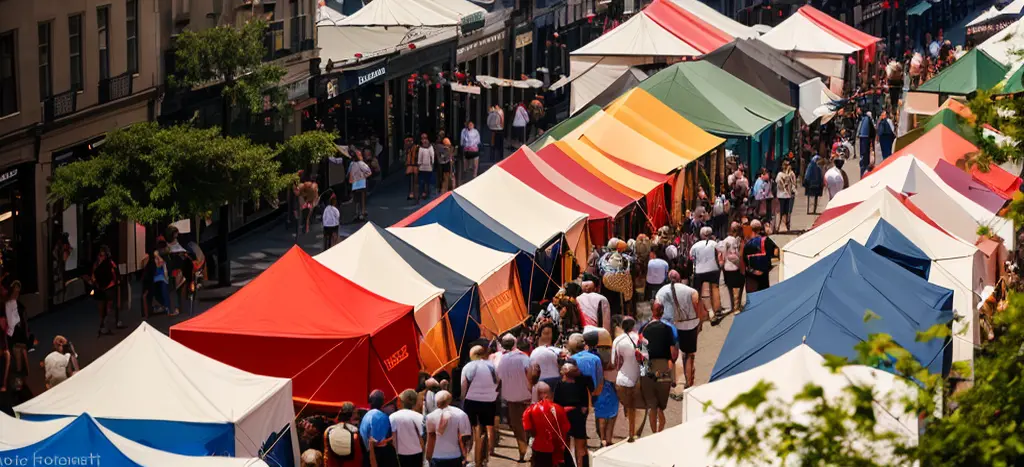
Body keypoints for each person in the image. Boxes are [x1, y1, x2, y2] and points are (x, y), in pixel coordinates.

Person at [655, 270, 702, 389]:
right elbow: (697, 306)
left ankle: (672, 381)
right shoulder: (690, 290)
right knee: (689, 355)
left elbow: (657, 308)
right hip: (689, 325)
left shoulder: (661, 291)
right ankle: (689, 382)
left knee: (672, 355)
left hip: (670, 326)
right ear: (680, 278)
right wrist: (699, 322)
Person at [641, 304, 678, 433]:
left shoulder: (644, 328)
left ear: (652, 311)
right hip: (663, 366)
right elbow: (673, 354)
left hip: (648, 367)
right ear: (662, 312)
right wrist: (673, 375)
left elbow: (642, 353)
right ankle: (660, 432)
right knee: (660, 405)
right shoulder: (668, 329)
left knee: (652, 405)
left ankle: (654, 434)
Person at [495, 335, 531, 462]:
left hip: (511, 398)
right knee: (528, 424)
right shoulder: (524, 357)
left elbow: (498, 378)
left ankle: (522, 451)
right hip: (527, 397)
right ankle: (526, 448)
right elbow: (530, 374)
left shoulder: (502, 360)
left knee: (517, 426)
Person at [460, 345, 499, 467]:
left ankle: (468, 457)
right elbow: (498, 382)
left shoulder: (468, 366)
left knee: (470, 430)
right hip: (489, 401)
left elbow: (463, 386)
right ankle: (481, 459)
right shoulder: (492, 366)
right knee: (483, 430)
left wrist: (463, 401)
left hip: (471, 400)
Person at [551, 362, 592, 467]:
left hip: (565, 415)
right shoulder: (581, 383)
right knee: (580, 446)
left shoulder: (559, 384)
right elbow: (585, 403)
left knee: (566, 445)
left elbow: (556, 402)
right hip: (577, 415)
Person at [522, 382, 569, 467]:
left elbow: (528, 429)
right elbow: (566, 428)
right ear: (547, 394)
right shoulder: (559, 409)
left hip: (540, 447)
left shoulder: (530, 411)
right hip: (557, 449)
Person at [612, 316, 644, 442]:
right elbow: (645, 361)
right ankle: (633, 433)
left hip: (622, 378)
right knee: (634, 408)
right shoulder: (640, 339)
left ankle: (629, 432)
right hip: (637, 379)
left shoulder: (618, 341)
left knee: (627, 407)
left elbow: (615, 363)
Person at [425, 391, 471, 467]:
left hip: (437, 457)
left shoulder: (430, 416)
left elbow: (431, 437)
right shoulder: (460, 414)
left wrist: (428, 456)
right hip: (455, 456)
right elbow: (464, 438)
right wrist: (465, 456)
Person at [690, 227, 721, 322]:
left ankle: (702, 314)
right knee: (715, 288)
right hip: (713, 269)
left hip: (700, 271)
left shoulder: (695, 246)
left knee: (700, 293)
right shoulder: (715, 244)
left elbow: (691, 258)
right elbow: (719, 255)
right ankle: (717, 311)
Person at [359, 390, 395, 467]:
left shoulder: (366, 415)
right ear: (382, 402)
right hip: (377, 458)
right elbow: (378, 443)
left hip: (366, 455)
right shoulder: (382, 417)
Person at [389, 389, 424, 467]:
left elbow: (393, 438)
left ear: (402, 401)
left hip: (400, 454)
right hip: (417, 453)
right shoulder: (420, 417)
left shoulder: (393, 417)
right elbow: (422, 438)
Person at [90, 246, 120, 336]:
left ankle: (105, 326)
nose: (101, 257)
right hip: (101, 288)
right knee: (102, 307)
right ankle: (103, 324)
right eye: (100, 255)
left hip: (108, 288)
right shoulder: (97, 264)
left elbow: (115, 274)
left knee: (108, 308)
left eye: (103, 255)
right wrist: (96, 283)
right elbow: (93, 276)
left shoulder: (110, 263)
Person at [717, 222, 746, 313]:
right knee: (739, 286)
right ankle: (737, 307)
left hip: (727, 267)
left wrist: (721, 265)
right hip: (737, 266)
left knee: (730, 287)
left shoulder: (725, 240)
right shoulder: (738, 241)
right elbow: (740, 255)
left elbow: (720, 254)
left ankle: (733, 306)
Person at [743, 220, 779, 293]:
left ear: (751, 228)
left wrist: (753, 271)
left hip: (751, 276)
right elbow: (776, 252)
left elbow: (744, 260)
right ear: (760, 229)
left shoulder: (747, 244)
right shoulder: (766, 240)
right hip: (764, 274)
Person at [325, 402, 363, 467]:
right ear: (352, 414)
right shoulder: (355, 434)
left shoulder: (328, 431)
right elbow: (358, 458)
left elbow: (327, 457)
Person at [348, 151, 372, 221]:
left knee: (356, 199)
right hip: (361, 183)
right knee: (362, 199)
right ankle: (362, 212)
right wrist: (363, 176)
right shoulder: (362, 164)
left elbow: (349, 173)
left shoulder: (352, 164)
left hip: (355, 184)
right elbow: (369, 172)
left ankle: (357, 213)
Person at [775, 160, 797, 232]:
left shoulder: (791, 174)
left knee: (787, 211)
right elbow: (780, 183)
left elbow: (794, 183)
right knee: (781, 211)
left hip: (788, 196)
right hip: (781, 196)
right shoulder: (780, 175)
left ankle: (786, 225)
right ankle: (779, 226)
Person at [416, 134, 435, 201]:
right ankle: (427, 192)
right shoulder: (430, 147)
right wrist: (432, 164)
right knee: (428, 181)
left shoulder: (421, 148)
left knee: (422, 181)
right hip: (429, 167)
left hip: (422, 167)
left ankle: (424, 193)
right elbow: (432, 156)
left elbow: (419, 158)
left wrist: (418, 165)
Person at [857, 110, 874, 177]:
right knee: (864, 159)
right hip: (864, 138)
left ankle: (863, 174)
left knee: (863, 158)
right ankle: (863, 174)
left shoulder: (864, 119)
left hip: (864, 138)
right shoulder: (866, 119)